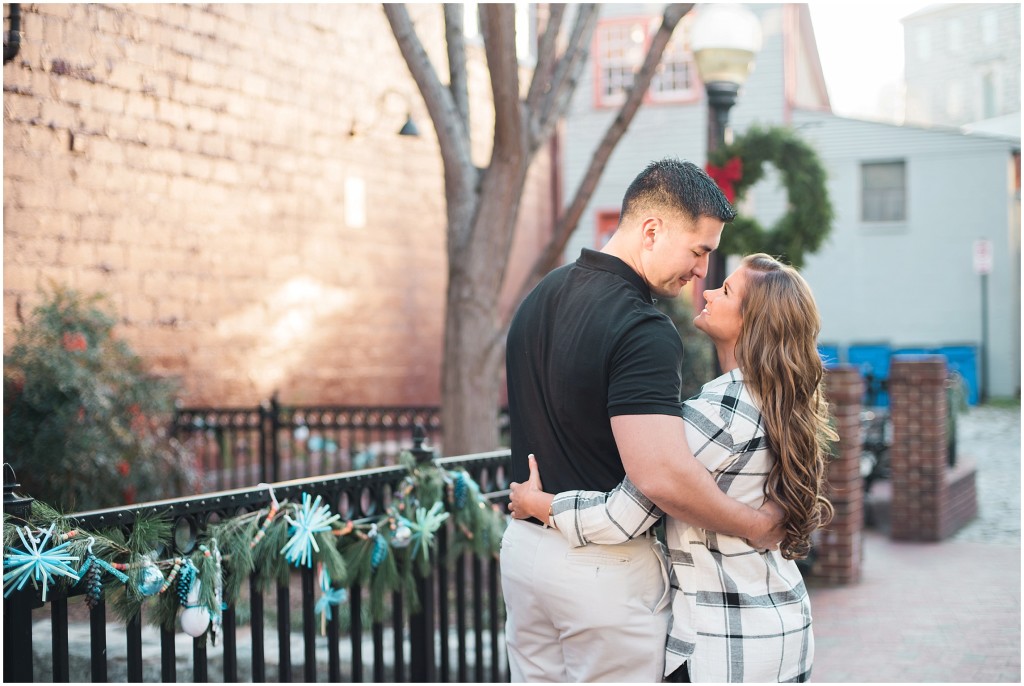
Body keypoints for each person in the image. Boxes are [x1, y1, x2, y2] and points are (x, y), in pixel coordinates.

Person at [501, 159, 786, 683]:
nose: (702, 272)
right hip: (602, 571)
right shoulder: (643, 327)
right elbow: (661, 475)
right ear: (652, 230)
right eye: (699, 251)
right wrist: (757, 525)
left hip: (523, 555)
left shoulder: (538, 299)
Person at [509, 253, 838, 683]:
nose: (709, 290)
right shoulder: (776, 404)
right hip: (780, 625)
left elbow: (624, 516)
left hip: (726, 645)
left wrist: (542, 505)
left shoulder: (719, 414)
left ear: (753, 322)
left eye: (727, 291)